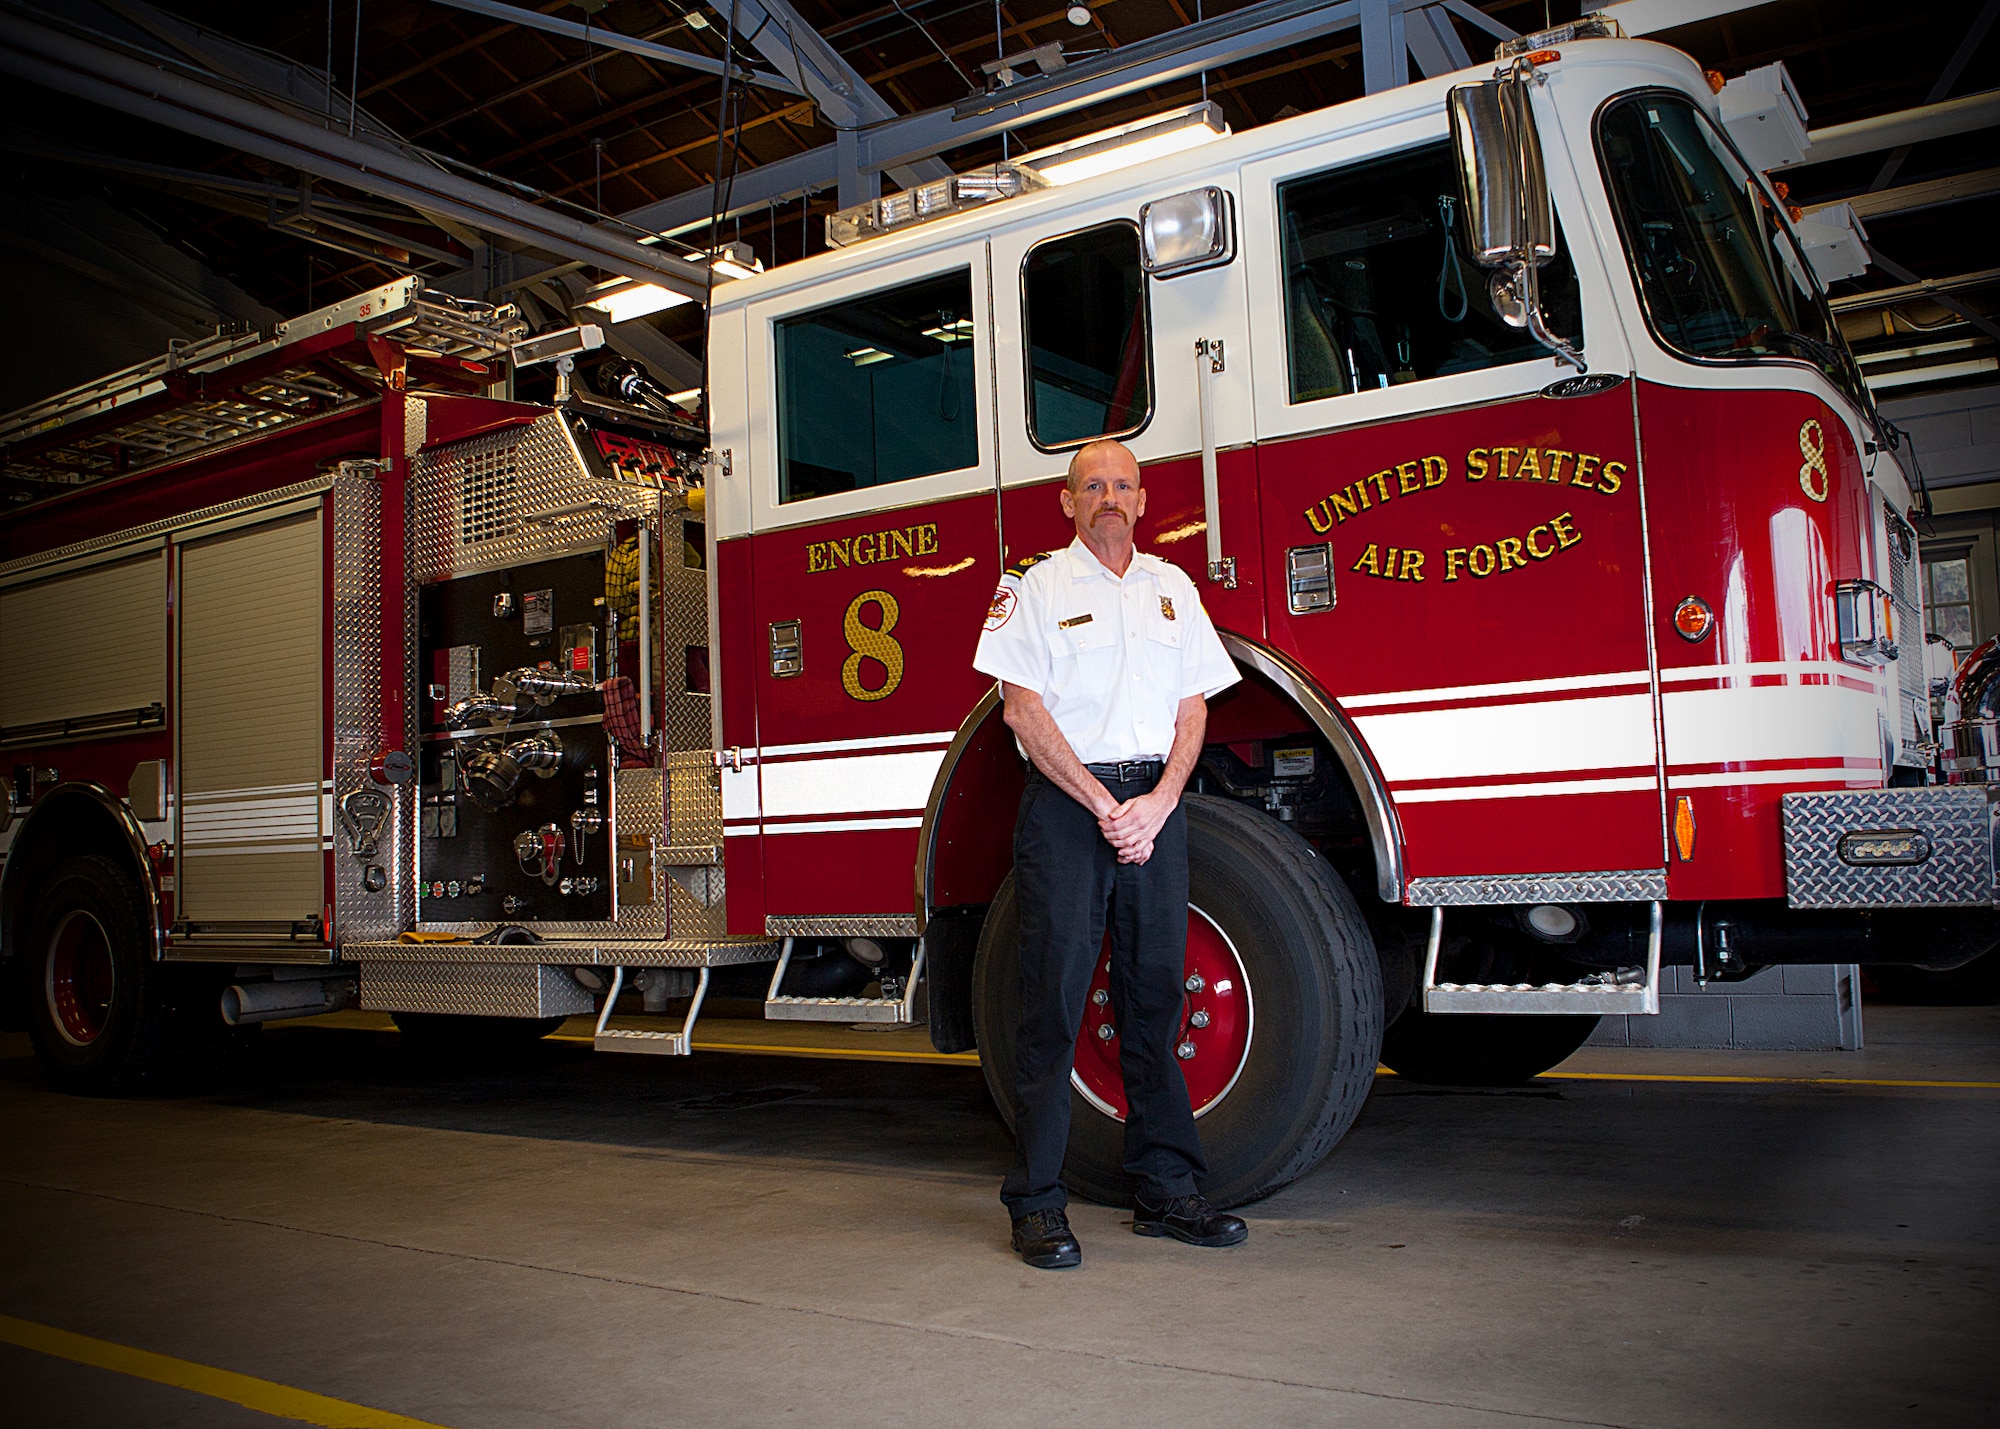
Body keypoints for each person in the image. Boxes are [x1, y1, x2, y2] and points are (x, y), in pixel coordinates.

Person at [971, 437, 1248, 1270]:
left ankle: (1165, 1188)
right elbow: (1022, 711)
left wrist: (1159, 802)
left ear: (1141, 497)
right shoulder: (1033, 586)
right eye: (1092, 485)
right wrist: (1103, 806)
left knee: (1155, 994)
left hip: (1153, 813)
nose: (1109, 498)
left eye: (1122, 484)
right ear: (1067, 501)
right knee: (1051, 1005)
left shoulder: (1173, 588)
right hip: (1069, 808)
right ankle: (1038, 1202)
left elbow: (1193, 708)